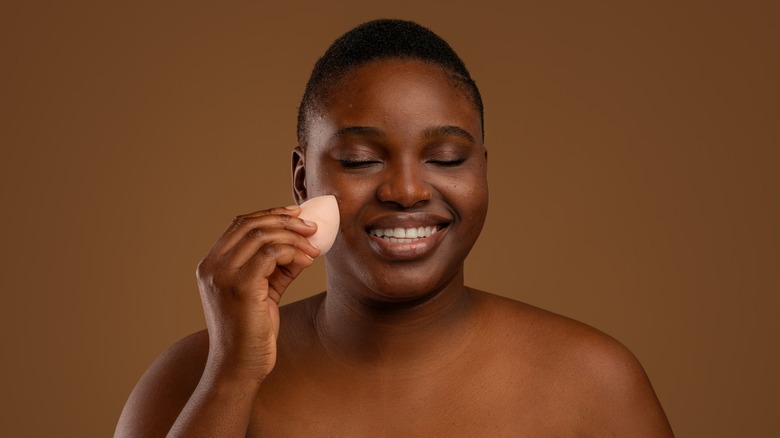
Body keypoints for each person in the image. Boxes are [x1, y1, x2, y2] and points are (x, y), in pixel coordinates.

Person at [115, 19, 674, 437]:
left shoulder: (593, 384)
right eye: (360, 159)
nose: (406, 191)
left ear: (482, 170)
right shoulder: (192, 379)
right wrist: (232, 374)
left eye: (448, 159)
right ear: (301, 178)